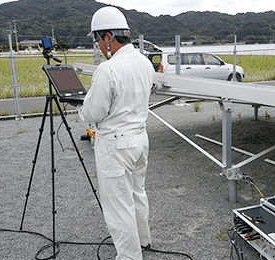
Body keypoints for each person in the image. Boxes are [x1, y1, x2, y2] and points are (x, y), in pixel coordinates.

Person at [79, 6, 155, 260]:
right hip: (139, 139)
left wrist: (82, 106)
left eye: (98, 40)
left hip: (115, 145)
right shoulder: (145, 62)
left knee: (117, 204)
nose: (98, 46)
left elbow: (94, 113)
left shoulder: (107, 70)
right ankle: (143, 240)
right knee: (137, 192)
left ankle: (129, 257)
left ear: (109, 37)